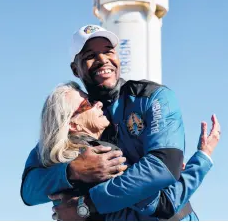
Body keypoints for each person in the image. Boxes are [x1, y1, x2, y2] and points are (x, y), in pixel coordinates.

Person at [20, 24, 221, 220]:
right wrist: (73, 171)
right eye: (90, 55)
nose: (102, 60)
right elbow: (29, 189)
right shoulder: (74, 126)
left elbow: (164, 167)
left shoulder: (153, 97)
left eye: (109, 51)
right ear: (75, 69)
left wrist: (87, 205)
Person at [38, 81, 219, 221]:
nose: (99, 104)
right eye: (88, 103)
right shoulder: (103, 159)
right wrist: (203, 156)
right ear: (73, 123)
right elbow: (166, 202)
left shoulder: (57, 163)